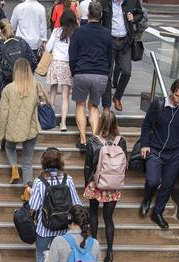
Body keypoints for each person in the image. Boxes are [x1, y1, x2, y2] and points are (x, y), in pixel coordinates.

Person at [139, 79, 179, 230]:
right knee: (152, 181)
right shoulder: (158, 105)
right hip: (156, 150)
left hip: (175, 152)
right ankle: (147, 198)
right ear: (172, 92)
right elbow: (146, 125)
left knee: (167, 184)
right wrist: (145, 144)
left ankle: (157, 213)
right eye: (178, 95)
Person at [28, 148, 82, 262]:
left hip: (44, 227)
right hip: (64, 226)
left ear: (44, 162)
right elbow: (77, 203)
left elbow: (34, 206)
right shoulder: (67, 179)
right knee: (64, 254)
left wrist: (31, 193)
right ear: (60, 162)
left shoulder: (40, 182)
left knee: (40, 253)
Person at [83, 110, 126, 262]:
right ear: (115, 123)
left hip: (97, 183)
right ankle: (110, 251)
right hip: (113, 186)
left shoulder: (94, 141)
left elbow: (88, 166)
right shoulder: (121, 141)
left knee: (93, 214)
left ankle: (94, 248)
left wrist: (87, 183)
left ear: (100, 122)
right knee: (108, 218)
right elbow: (124, 165)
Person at [68, 1, 111, 151]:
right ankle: (94, 137)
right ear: (100, 15)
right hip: (100, 74)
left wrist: (75, 72)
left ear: (88, 14)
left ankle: (83, 138)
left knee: (80, 105)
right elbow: (110, 57)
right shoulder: (106, 33)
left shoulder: (79, 32)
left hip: (82, 72)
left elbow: (72, 56)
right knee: (94, 106)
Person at [0, 58, 46, 186]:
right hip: (31, 127)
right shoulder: (35, 85)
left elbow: (3, 113)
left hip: (13, 128)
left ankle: (14, 168)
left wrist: (1, 133)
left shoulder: (8, 89)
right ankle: (27, 190)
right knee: (27, 161)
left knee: (9, 146)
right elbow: (46, 101)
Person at [0, 19, 37, 119]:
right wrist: (26, 76)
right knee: (17, 118)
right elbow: (33, 61)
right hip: (20, 84)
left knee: (1, 118)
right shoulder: (22, 43)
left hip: (0, 87)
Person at [98, 0, 143, 112]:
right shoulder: (104, 2)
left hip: (125, 42)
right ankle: (106, 105)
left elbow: (140, 14)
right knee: (107, 75)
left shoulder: (132, 2)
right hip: (109, 42)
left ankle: (117, 97)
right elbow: (97, 18)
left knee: (127, 72)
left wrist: (134, 18)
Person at [46, 9, 77, 132]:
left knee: (52, 92)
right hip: (67, 65)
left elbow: (49, 47)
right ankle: (63, 123)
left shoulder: (56, 31)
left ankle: (50, 119)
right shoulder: (75, 33)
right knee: (65, 96)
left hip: (55, 63)